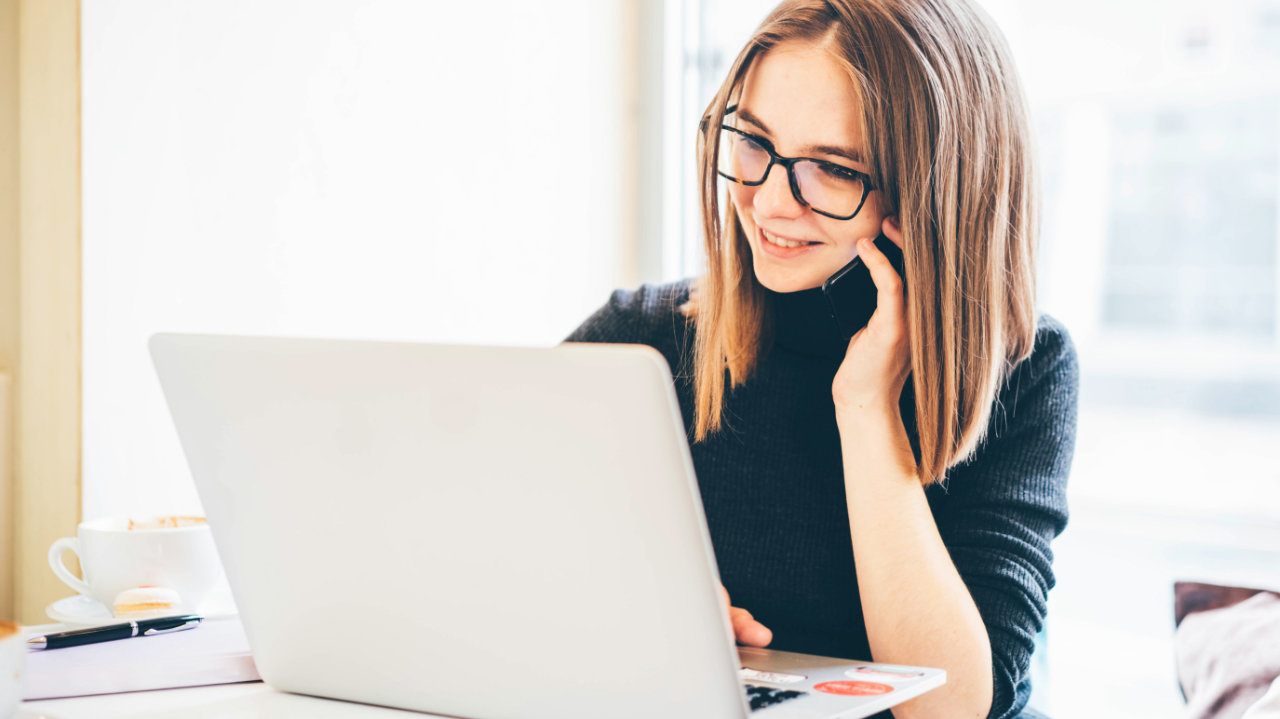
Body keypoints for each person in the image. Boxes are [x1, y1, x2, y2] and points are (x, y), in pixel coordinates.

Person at [565, 1, 1078, 717]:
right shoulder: (643, 339)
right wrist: (631, 606)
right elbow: (489, 543)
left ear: (931, 193)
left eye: (831, 168)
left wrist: (867, 409)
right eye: (752, 140)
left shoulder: (1021, 369)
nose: (771, 201)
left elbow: (951, 707)